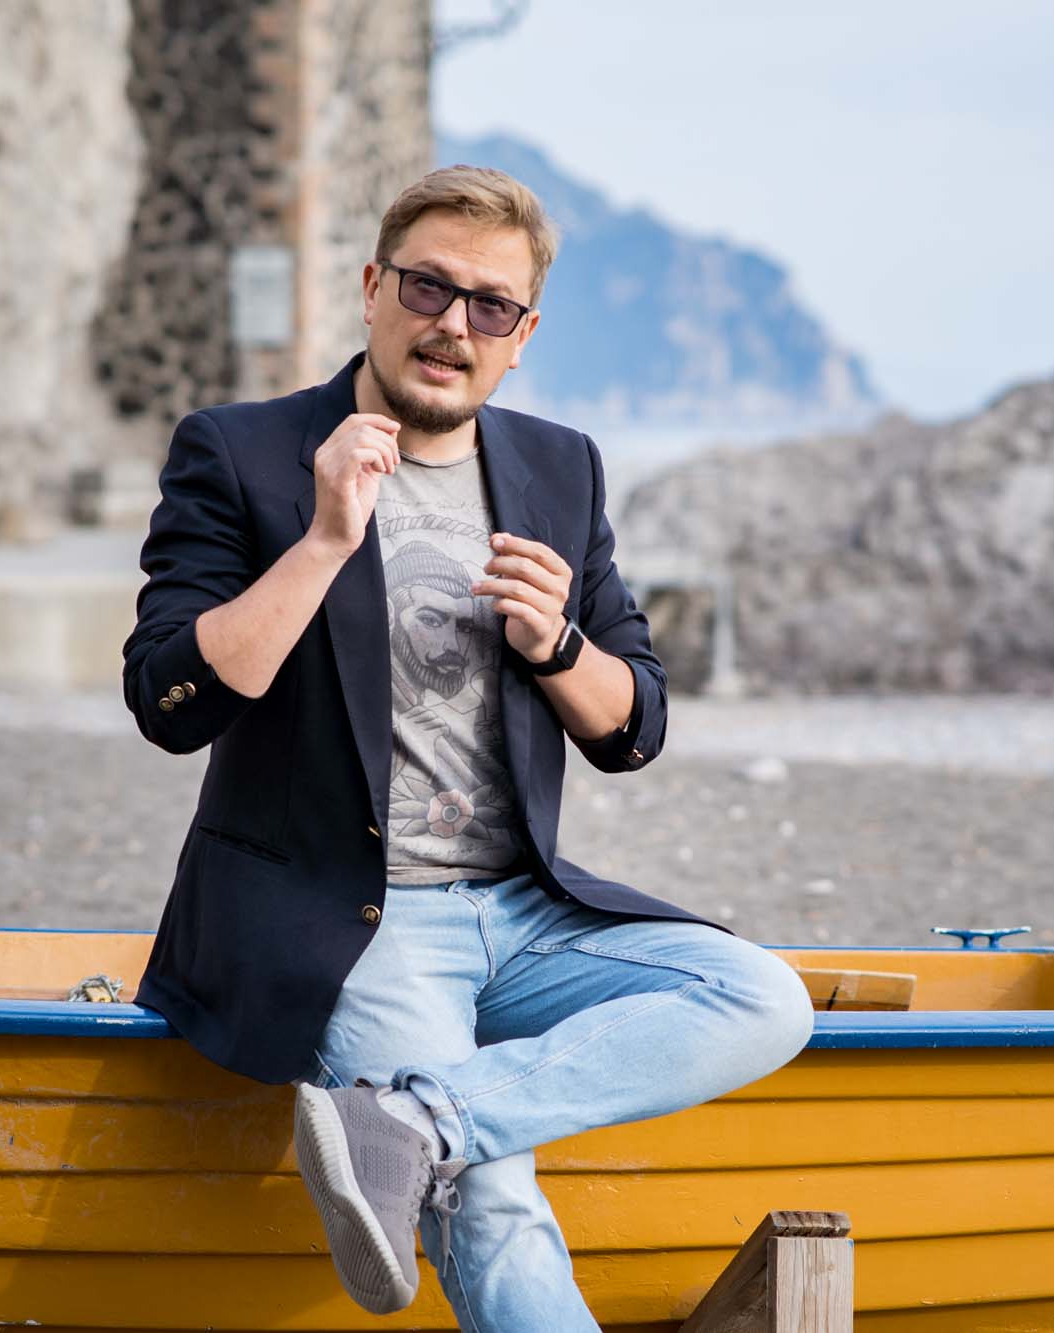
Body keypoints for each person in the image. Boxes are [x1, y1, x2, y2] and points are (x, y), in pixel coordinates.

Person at [122, 165, 814, 1331]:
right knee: (493, 1201)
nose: (451, 323)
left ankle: (417, 1120)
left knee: (762, 996)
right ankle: (444, 1133)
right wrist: (324, 541)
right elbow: (169, 701)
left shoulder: (558, 467)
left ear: (521, 336)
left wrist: (555, 643)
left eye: (489, 305)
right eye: (427, 286)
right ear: (371, 288)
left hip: (526, 913)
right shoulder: (241, 454)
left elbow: (632, 723)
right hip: (355, 917)